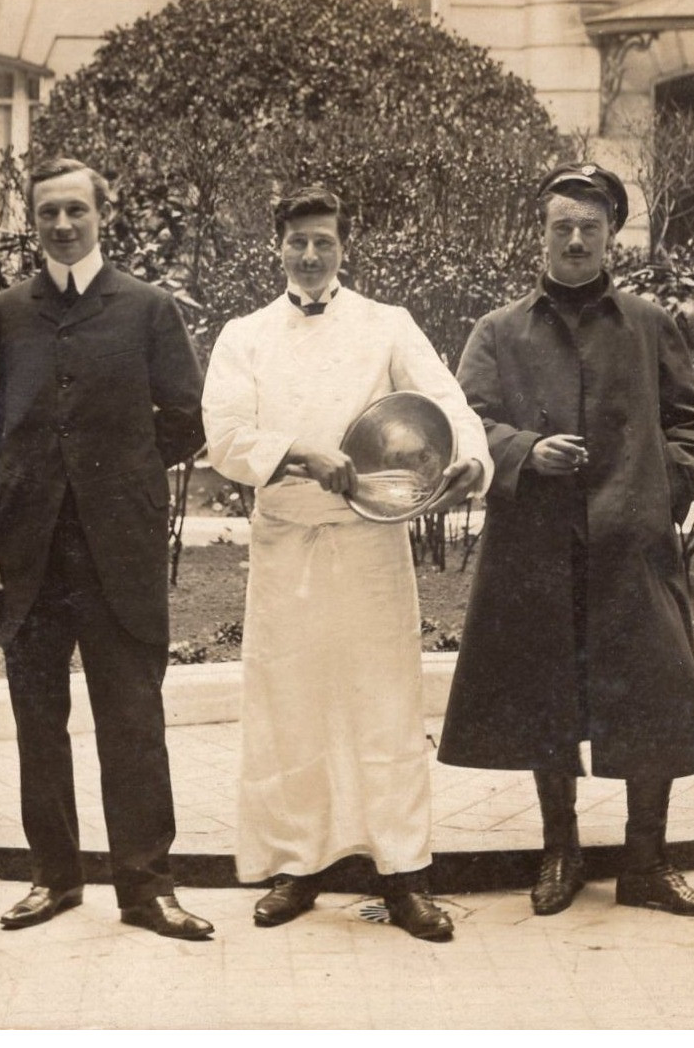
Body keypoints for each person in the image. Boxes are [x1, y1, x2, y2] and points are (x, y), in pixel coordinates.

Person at [438, 162, 694, 920]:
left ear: (610, 238)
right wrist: (522, 453)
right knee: (544, 699)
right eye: (561, 226)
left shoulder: (646, 323)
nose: (574, 240)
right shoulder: (498, 330)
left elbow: (691, 424)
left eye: (589, 228)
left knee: (652, 697)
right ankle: (558, 851)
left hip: (629, 546)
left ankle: (646, 862)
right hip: (533, 546)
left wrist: (655, 490)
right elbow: (464, 424)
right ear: (540, 233)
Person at [202, 186, 491, 941]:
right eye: (296, 240)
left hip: (369, 542)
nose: (308, 254)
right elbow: (225, 435)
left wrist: (469, 461)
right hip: (287, 538)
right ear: (277, 245)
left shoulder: (386, 325)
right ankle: (297, 865)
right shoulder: (245, 335)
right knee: (289, 703)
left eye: (322, 241)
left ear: (343, 246)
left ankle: (403, 874)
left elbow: (446, 402)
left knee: (384, 704)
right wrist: (297, 455)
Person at [0, 157, 212, 940]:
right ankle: (53, 878)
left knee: (132, 719)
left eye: (76, 211)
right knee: (38, 719)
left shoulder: (146, 309)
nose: (62, 226)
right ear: (31, 223)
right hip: (28, 550)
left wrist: (115, 475)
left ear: (104, 212)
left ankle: (146, 888)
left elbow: (185, 418)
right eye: (47, 215)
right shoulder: (5, 316)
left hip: (117, 551)